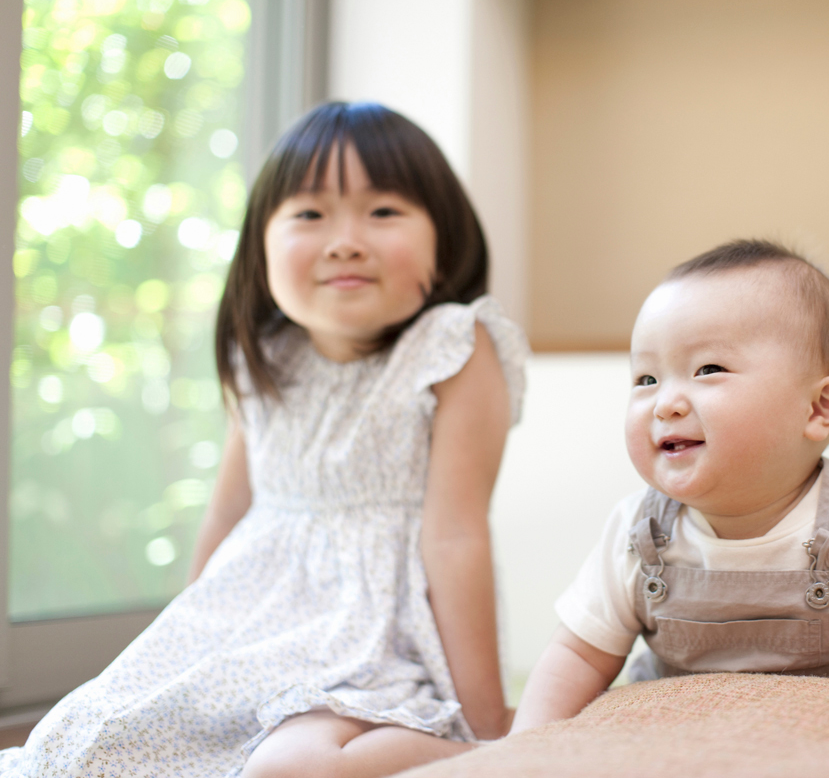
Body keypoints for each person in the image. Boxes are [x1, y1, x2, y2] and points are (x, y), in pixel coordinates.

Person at [0, 102, 527, 778]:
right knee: (81, 739)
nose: (345, 240)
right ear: (261, 245)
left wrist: (488, 723)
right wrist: (183, 649)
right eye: (310, 215)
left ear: (443, 240)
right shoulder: (264, 355)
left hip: (371, 644)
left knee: (290, 767)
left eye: (383, 211)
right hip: (250, 632)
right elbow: (227, 511)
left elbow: (455, 536)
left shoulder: (453, 346)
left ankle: (459, 747)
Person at [511, 239, 829, 738]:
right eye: (646, 378)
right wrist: (526, 744)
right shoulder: (638, 532)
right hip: (680, 743)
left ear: (819, 408)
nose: (665, 402)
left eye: (708, 369)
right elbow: (578, 652)